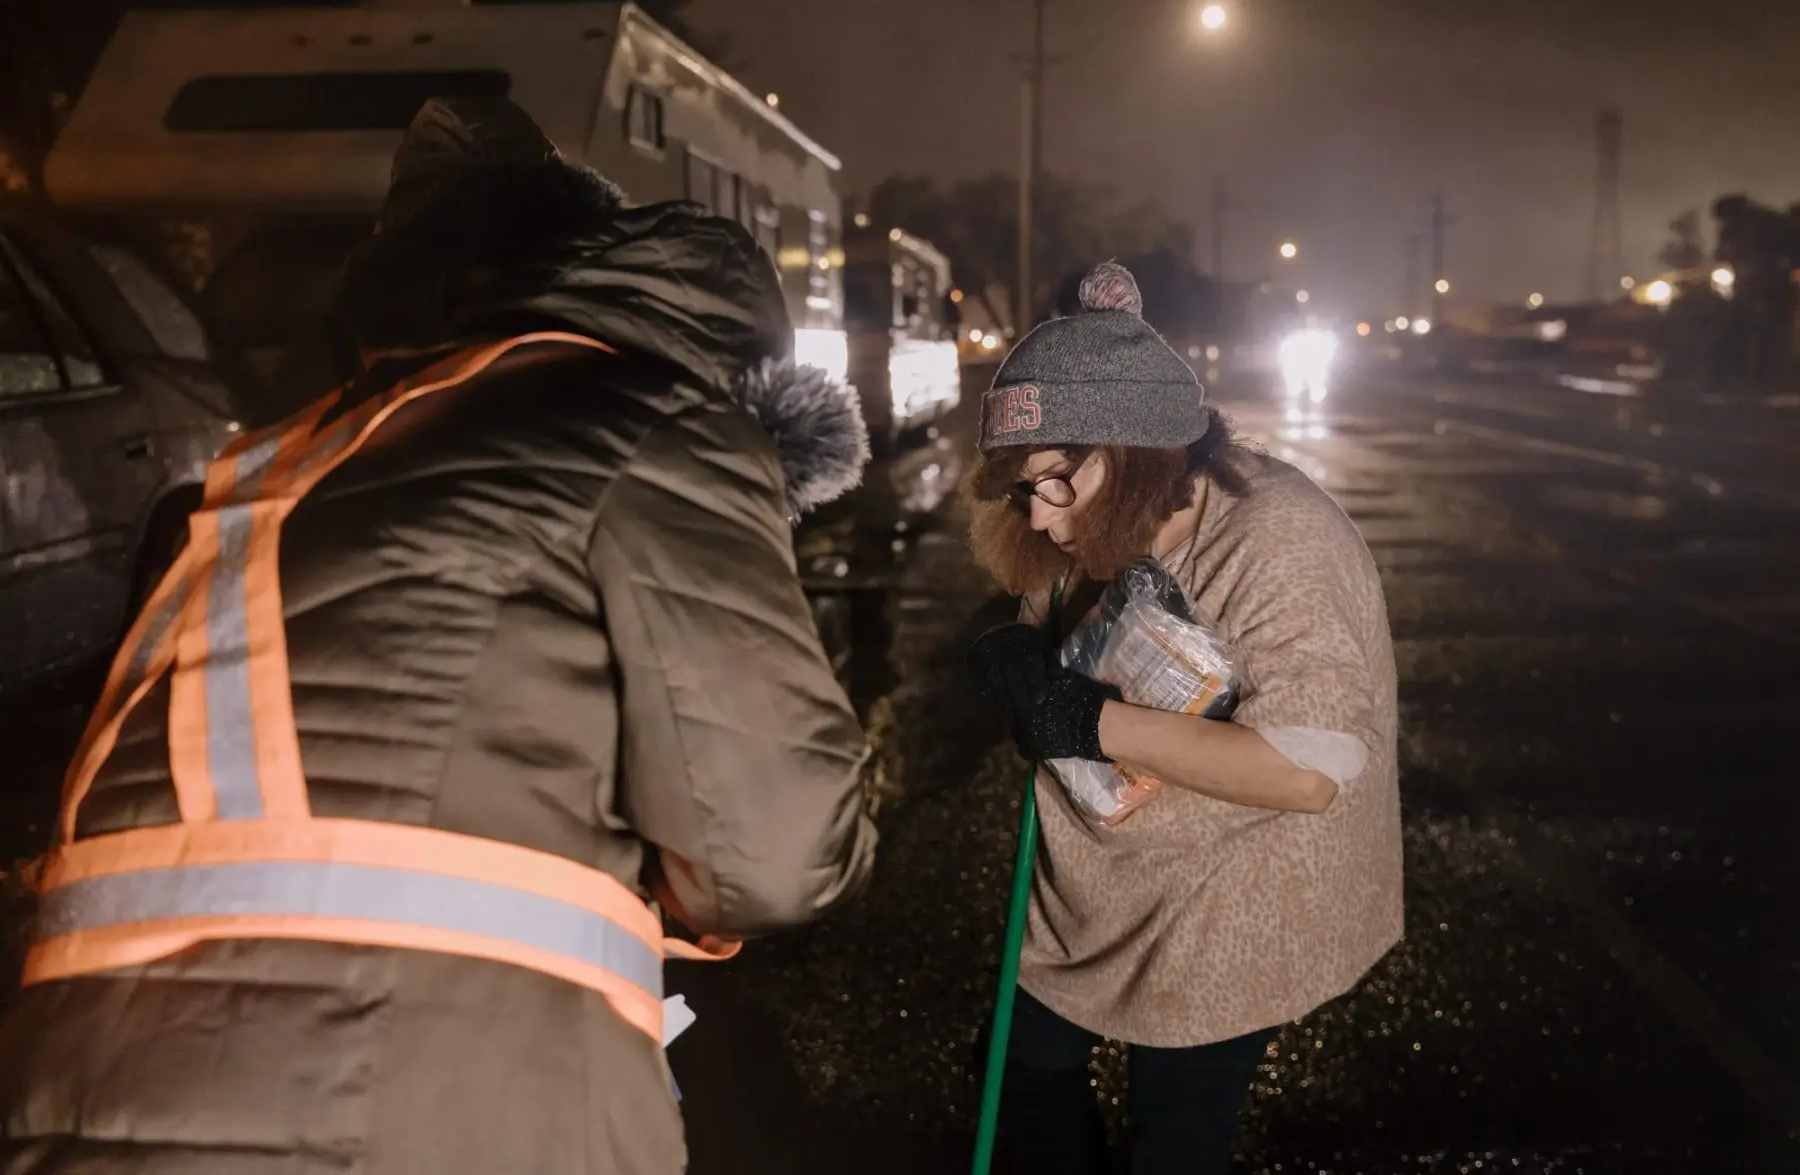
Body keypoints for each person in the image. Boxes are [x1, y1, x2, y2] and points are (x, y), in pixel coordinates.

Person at [0, 98, 877, 1175]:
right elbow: (777, 851)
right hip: (421, 1098)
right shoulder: (655, 416)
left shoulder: (273, 464)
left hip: (80, 1093)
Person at [964, 261, 1403, 1174]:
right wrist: (1015, 648)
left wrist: (1083, 721)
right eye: (1022, 489)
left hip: (1230, 894)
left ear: (1137, 457)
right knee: (1016, 1073)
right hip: (1094, 873)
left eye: (1055, 483)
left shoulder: (1280, 538)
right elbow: (1041, 610)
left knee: (1174, 1137)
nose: (1041, 521)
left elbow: (1309, 770)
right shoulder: (1090, 516)